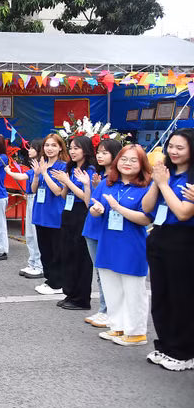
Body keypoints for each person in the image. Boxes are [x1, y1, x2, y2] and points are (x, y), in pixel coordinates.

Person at [141, 128, 194, 371]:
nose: (173, 151)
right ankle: (165, 345)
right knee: (161, 296)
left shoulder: (190, 178)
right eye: (170, 146)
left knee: (180, 297)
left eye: (179, 147)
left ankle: (183, 351)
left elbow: (183, 212)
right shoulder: (166, 174)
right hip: (159, 236)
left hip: (183, 241)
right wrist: (157, 180)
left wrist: (164, 184)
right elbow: (147, 207)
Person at [89, 144, 152, 347]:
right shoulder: (107, 183)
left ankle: (136, 332)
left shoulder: (147, 187)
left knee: (133, 290)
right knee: (111, 286)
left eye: (134, 160)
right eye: (124, 159)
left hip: (131, 246)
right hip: (108, 243)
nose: (127, 163)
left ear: (142, 164)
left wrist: (118, 208)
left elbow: (145, 219)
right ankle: (117, 326)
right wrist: (97, 209)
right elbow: (93, 207)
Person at [51, 135, 97, 311]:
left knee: (81, 257)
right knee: (68, 254)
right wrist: (64, 183)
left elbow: (88, 198)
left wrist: (68, 181)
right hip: (68, 212)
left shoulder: (90, 170)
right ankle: (70, 293)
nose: (72, 151)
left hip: (82, 214)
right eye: (70, 148)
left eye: (76, 148)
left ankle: (81, 298)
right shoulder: (70, 168)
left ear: (85, 150)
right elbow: (64, 195)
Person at [81, 138, 122, 328]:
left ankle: (109, 310)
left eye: (105, 152)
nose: (99, 155)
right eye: (98, 151)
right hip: (92, 227)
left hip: (108, 230)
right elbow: (89, 203)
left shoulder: (120, 179)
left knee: (109, 271)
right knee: (99, 272)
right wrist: (90, 187)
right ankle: (104, 309)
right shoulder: (99, 177)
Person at [31, 134, 70, 296]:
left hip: (55, 214)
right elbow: (33, 190)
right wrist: (37, 174)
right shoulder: (43, 164)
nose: (49, 148)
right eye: (47, 145)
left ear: (61, 147)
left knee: (56, 250)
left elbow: (58, 191)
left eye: (54, 145)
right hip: (40, 213)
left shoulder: (63, 167)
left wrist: (45, 173)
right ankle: (49, 279)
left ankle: (57, 282)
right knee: (44, 249)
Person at [6, 138, 43, 278]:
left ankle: (39, 265)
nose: (29, 150)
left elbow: (24, 177)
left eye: (33, 148)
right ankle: (32, 262)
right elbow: (23, 175)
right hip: (30, 198)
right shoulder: (33, 166)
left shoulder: (41, 167)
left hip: (37, 200)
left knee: (35, 233)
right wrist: (9, 171)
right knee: (29, 234)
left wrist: (9, 172)